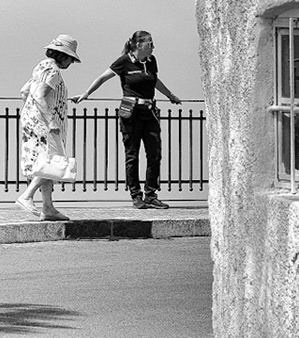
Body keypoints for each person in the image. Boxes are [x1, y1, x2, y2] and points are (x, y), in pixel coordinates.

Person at [74, 30, 182, 209]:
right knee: (132, 155)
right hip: (131, 113)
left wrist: (170, 95)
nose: (153, 47)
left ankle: (151, 195)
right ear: (139, 45)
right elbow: (102, 78)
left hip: (149, 111)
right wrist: (86, 94)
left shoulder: (151, 61)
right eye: (150, 44)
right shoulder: (124, 61)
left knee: (154, 153)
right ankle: (136, 195)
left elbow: (154, 81)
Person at [17, 34, 82, 221]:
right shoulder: (53, 71)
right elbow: (39, 95)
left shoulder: (41, 66)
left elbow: (25, 92)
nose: (71, 62)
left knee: (45, 161)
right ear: (63, 55)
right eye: (70, 58)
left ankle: (48, 207)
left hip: (31, 119)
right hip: (44, 122)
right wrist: (51, 119)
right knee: (54, 160)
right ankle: (27, 196)